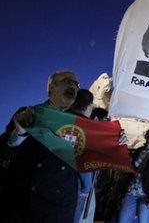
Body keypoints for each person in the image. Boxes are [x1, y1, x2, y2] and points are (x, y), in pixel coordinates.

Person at [0, 70, 80, 222]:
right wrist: (19, 133)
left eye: (76, 84)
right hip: (22, 208)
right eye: (67, 81)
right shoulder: (28, 114)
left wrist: (114, 141)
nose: (73, 86)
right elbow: (3, 152)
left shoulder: (81, 125)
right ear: (51, 88)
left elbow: (93, 158)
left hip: (57, 211)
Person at [118, 125, 149, 223]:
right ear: (148, 135)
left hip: (148, 194)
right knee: (123, 220)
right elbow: (130, 169)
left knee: (144, 221)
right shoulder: (139, 150)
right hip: (132, 191)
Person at [69, 89, 98, 223]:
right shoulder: (91, 128)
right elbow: (85, 161)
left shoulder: (63, 120)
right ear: (90, 106)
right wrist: (86, 189)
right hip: (78, 185)